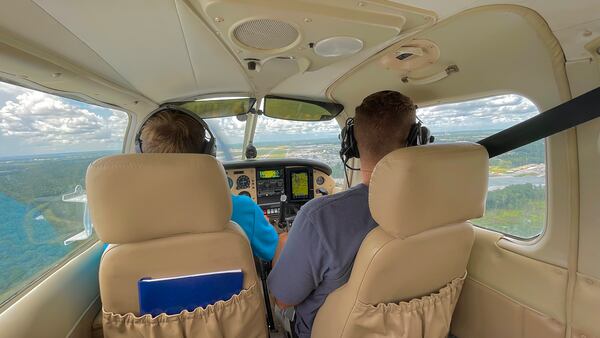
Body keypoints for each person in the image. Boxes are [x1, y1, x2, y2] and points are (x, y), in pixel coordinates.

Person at [267, 90, 419, 337]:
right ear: (416, 140)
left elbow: (284, 300)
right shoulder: (438, 210)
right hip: (405, 327)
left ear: (350, 143)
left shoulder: (318, 217)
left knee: (283, 243)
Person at [137, 107, 282, 262]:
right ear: (208, 154)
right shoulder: (241, 209)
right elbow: (278, 255)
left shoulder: (124, 222)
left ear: (140, 156)